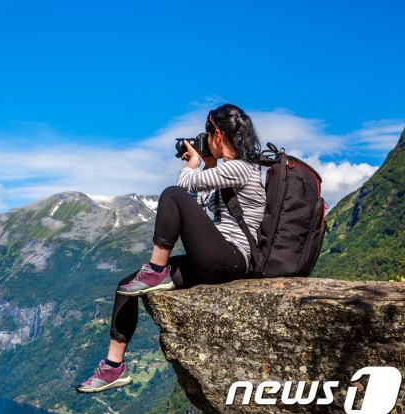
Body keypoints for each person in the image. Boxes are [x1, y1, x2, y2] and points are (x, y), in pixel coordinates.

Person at [76, 104, 266, 393]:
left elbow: (185, 185)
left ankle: (156, 268)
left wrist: (192, 164)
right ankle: (114, 367)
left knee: (172, 194)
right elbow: (201, 208)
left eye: (206, 133)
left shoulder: (242, 167)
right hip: (217, 257)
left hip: (233, 259)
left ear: (216, 133)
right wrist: (208, 163)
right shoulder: (228, 171)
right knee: (127, 285)